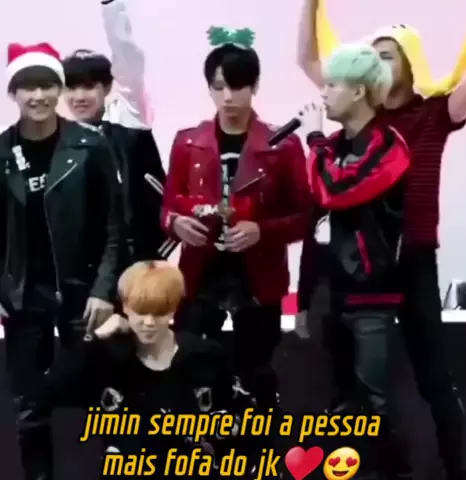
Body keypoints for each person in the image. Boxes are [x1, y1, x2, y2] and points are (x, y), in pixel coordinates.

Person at [296, 1, 466, 478]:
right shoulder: (357, 117)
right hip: (363, 264)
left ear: (410, 61)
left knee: (432, 377)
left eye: (388, 54)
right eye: (373, 54)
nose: (377, 61)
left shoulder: (433, 112)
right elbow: (310, 62)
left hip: (413, 253)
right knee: (354, 390)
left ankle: (457, 469)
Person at [161, 27, 311, 411]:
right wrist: (176, 224)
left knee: (256, 374)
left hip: (259, 279)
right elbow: (167, 208)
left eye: (238, 86)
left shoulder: (284, 145)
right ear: (209, 89)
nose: (228, 97)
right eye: (219, 87)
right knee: (192, 371)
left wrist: (262, 230)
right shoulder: (187, 142)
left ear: (255, 86)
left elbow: (304, 216)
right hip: (199, 276)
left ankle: (258, 442)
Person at [0, 42, 124, 480]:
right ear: (13, 93)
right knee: (29, 406)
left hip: (83, 297)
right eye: (27, 87)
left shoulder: (90, 145)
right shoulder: (1, 152)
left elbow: (115, 228)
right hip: (23, 299)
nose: (38, 96)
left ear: (59, 89)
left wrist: (103, 290)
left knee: (106, 400)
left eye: (47, 85)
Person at [18, 261, 254, 479]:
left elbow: (241, 418)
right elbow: (43, 394)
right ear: (125, 307)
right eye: (141, 311)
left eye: (159, 312)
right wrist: (95, 338)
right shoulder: (107, 359)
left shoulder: (204, 355)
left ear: (173, 309)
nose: (149, 322)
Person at [295, 43, 410, 479]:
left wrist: (313, 141)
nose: (323, 94)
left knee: (374, 403)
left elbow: (337, 191)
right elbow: (315, 224)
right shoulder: (330, 148)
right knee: (341, 402)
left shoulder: (389, 146)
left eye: (332, 85)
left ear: (359, 91)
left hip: (371, 296)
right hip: (332, 293)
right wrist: (305, 297)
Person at [62, 0, 175, 262]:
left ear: (107, 87)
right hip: (92, 263)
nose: (79, 97)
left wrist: (111, 7)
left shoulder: (129, 117)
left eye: (88, 87)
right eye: (71, 88)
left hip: (141, 257)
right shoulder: (63, 140)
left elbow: (128, 59)